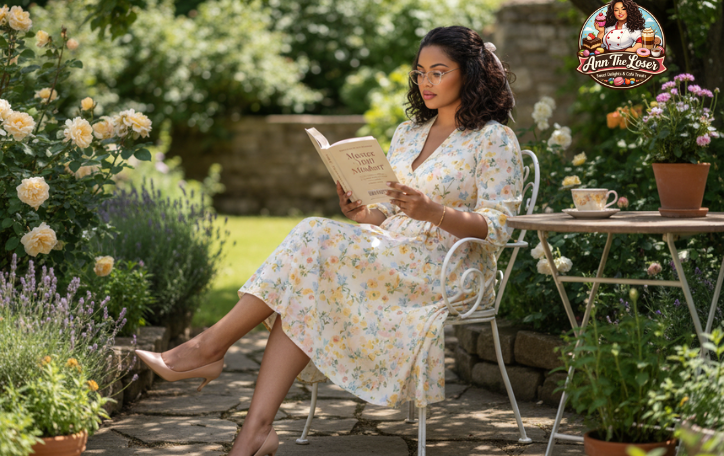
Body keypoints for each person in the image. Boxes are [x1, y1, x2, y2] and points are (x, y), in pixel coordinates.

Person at [135, 25, 525, 456]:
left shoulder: (493, 139)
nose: (426, 83)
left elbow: (500, 226)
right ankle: (254, 433)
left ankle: (208, 348)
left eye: (438, 72)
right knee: (306, 275)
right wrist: (361, 213)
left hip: (448, 267)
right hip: (392, 252)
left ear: (468, 75)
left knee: (311, 237)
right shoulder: (408, 133)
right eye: (420, 73)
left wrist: (434, 211)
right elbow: (386, 213)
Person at [594, 0, 661, 52]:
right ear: (613, 12)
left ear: (629, 11)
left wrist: (632, 49)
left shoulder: (631, 28)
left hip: (624, 59)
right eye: (616, 10)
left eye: (623, 9)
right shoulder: (609, 28)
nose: (620, 12)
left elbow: (640, 41)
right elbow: (600, 45)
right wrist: (601, 31)